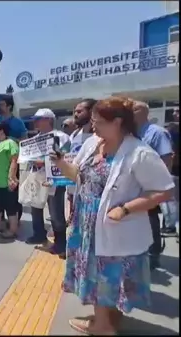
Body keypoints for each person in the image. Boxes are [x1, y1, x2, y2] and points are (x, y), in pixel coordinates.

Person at [52, 96, 174, 335]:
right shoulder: (92, 144)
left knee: (105, 277)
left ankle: (102, 327)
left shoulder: (139, 152)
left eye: (97, 121)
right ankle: (107, 318)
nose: (93, 125)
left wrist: (126, 208)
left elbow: (164, 190)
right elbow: (78, 175)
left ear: (117, 122)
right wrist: (59, 162)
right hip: (86, 223)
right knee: (98, 275)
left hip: (114, 224)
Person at [133, 101, 174, 267]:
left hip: (150, 184)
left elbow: (167, 157)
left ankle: (154, 252)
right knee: (139, 217)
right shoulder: (132, 133)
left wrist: (161, 184)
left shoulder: (157, 132)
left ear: (143, 112)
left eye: (133, 110)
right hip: (135, 183)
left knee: (151, 218)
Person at [24, 109, 70, 257]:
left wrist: (43, 162)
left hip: (54, 181)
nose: (35, 122)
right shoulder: (34, 139)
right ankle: (39, 234)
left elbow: (65, 157)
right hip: (36, 178)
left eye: (39, 119)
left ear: (49, 120)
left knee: (56, 213)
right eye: (35, 119)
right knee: (35, 207)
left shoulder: (61, 137)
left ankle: (61, 243)